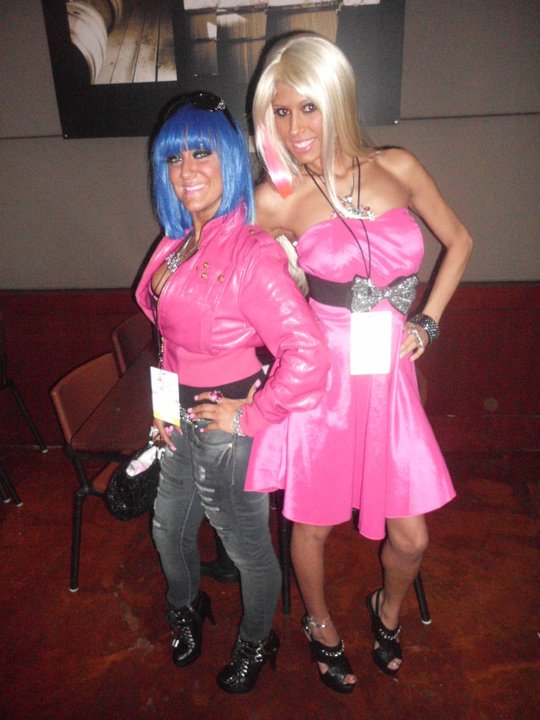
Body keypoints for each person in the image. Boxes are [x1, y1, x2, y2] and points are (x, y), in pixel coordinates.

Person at [246, 33, 473, 692]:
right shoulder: (273, 198)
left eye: (308, 107)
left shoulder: (397, 166)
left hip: (388, 378)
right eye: (281, 112)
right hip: (321, 381)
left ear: (338, 100)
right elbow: (237, 290)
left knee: (412, 538)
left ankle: (387, 607)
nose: (296, 127)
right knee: (311, 524)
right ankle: (320, 625)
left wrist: (428, 320)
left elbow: (460, 241)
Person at [135, 91, 330, 693]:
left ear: (229, 160)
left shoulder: (251, 251)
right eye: (174, 158)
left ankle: (257, 639)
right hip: (179, 415)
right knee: (168, 529)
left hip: (229, 428)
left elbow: (310, 354)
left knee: (245, 548)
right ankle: (186, 607)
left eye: (201, 154)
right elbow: (169, 342)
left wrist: (251, 417)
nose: (186, 170)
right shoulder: (175, 244)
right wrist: (162, 411)